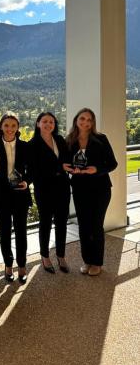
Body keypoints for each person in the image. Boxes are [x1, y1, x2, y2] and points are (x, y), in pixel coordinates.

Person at [64, 108, 117, 276]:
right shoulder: (70, 140)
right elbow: (66, 162)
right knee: (84, 226)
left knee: (96, 226)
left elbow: (112, 163)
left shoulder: (101, 139)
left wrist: (96, 170)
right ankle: (87, 260)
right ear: (76, 120)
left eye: (89, 119)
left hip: (100, 189)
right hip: (79, 188)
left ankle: (97, 262)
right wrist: (70, 169)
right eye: (82, 118)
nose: (85, 122)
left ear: (92, 122)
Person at [28, 112, 71, 274]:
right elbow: (35, 170)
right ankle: (45, 256)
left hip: (63, 187)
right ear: (38, 123)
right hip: (44, 189)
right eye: (44, 121)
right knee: (45, 223)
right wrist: (60, 167)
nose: (48, 124)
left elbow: (67, 159)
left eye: (51, 122)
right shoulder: (32, 144)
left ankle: (61, 255)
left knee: (61, 222)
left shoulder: (59, 139)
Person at [0, 113, 32, 284]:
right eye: (6, 125)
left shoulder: (25, 146)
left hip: (20, 194)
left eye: (13, 126)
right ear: (1, 127)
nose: (10, 129)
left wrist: (27, 181)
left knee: (21, 231)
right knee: (5, 233)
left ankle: (22, 265)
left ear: (18, 128)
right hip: (1, 196)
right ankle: (8, 265)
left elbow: (34, 168)